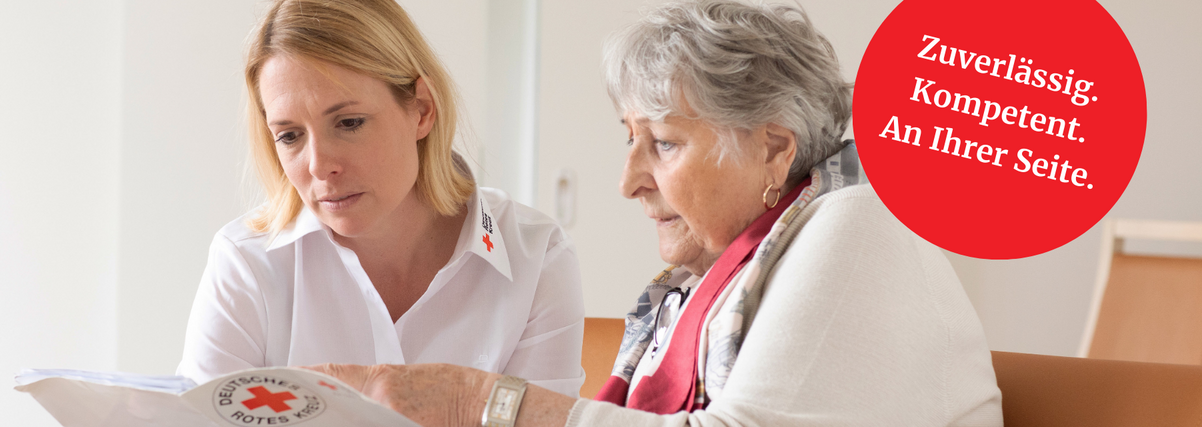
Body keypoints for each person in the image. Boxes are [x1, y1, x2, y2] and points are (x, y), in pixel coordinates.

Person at [309, 1, 1004, 426]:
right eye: (630, 139)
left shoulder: (856, 227)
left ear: (773, 150)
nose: (628, 182)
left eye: (664, 143)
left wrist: (476, 403)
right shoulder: (710, 282)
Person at [175, 0, 586, 398]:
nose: (319, 165)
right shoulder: (246, 264)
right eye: (290, 135)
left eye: (349, 122)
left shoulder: (535, 259)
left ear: (421, 110)